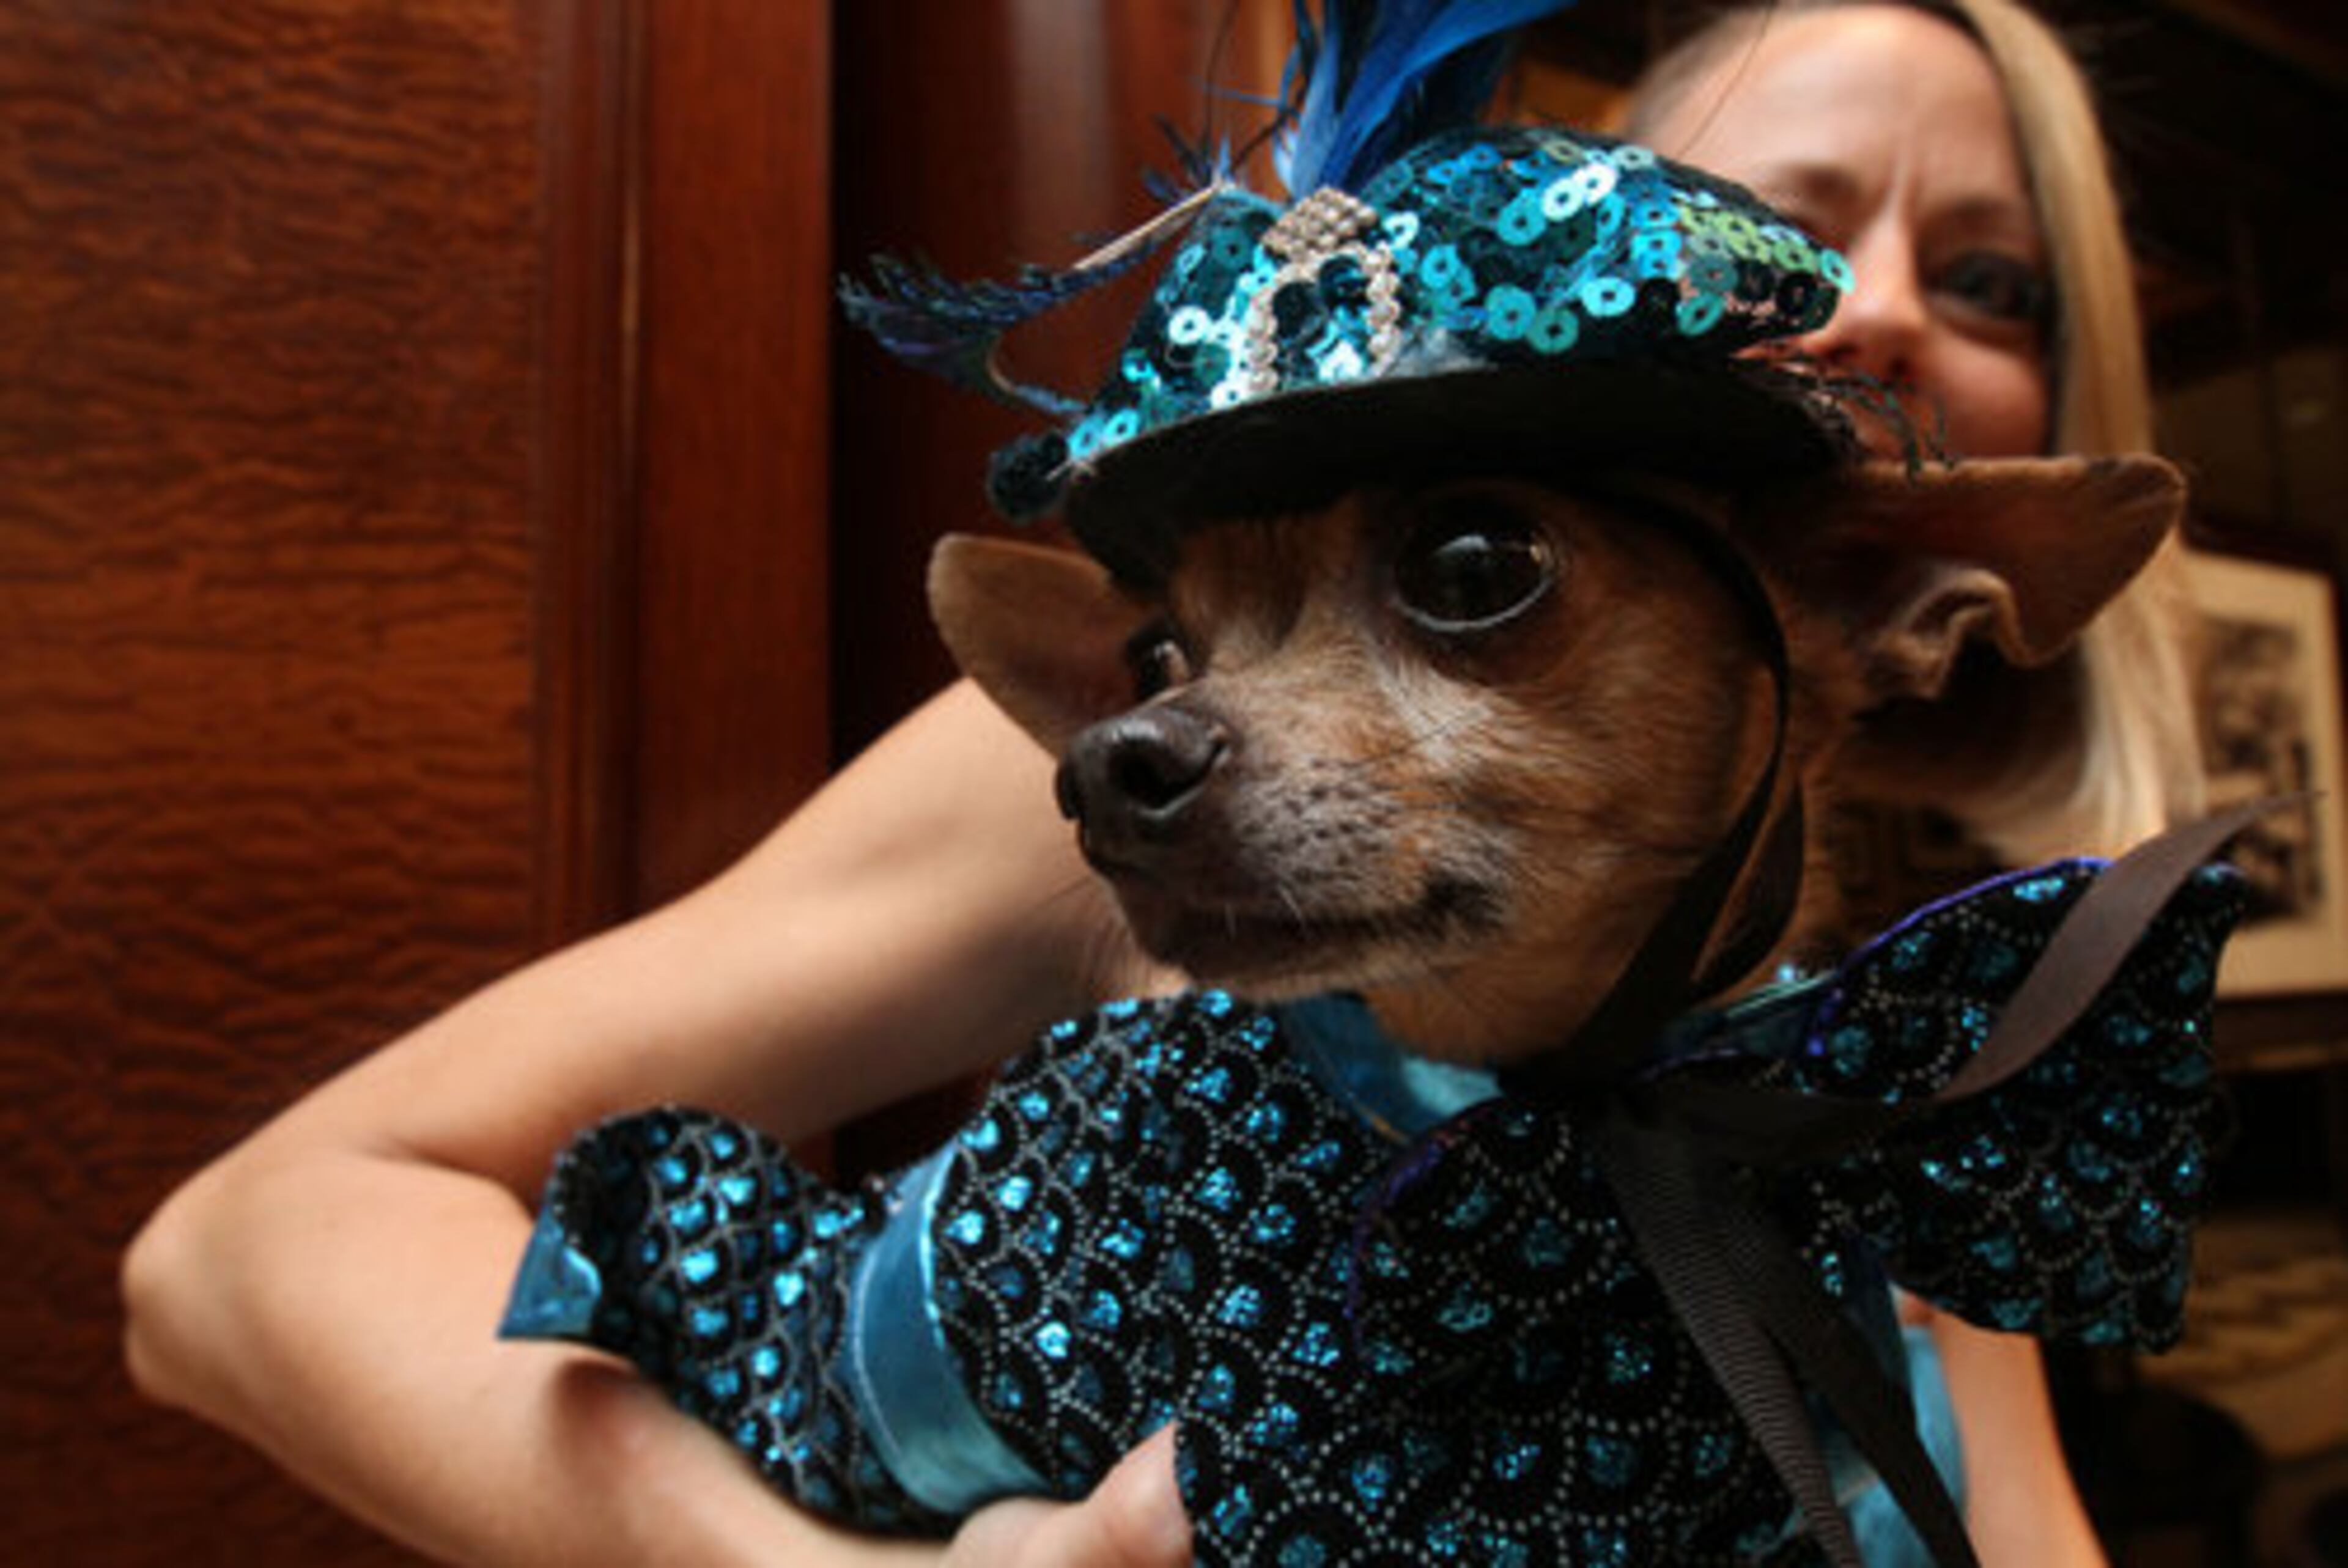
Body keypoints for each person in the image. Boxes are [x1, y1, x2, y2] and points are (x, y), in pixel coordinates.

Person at [120, 3, 2203, 1565]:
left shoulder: (1869, 1007)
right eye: (1780, 228)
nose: (1890, 317)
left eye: (1996, 279)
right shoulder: (1195, 752)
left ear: (1910, 595)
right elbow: (239, 1254)